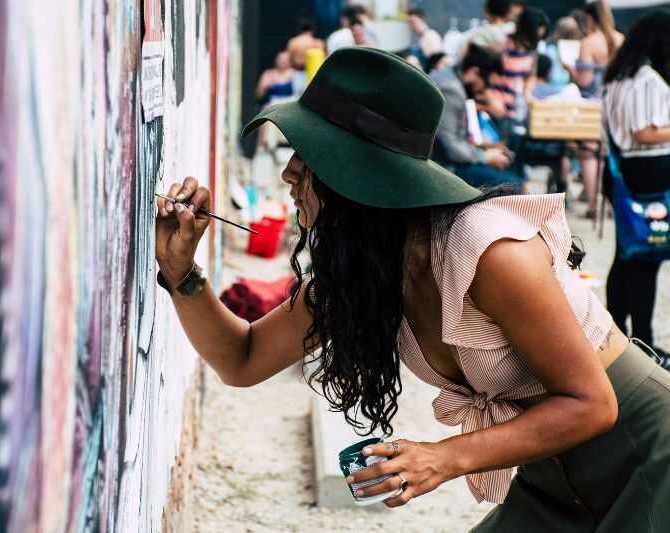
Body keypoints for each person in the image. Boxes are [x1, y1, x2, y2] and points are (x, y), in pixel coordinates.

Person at [156, 47, 670, 530]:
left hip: (645, 449)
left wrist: (443, 458)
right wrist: (183, 273)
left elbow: (593, 404)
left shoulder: (487, 249)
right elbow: (242, 359)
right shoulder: (368, 274)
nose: (290, 171)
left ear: (357, 176)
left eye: (308, 154)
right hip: (551, 461)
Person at [603, 9, 670, 362]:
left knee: (628, 254)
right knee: (647, 256)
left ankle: (618, 333)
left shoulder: (617, 77)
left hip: (624, 172)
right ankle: (643, 341)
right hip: (652, 175)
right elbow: (644, 133)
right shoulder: (649, 80)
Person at [431, 44, 521, 190]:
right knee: (515, 186)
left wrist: (486, 152)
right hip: (445, 169)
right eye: (486, 84)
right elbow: (450, 147)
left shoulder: (451, 78)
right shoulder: (451, 90)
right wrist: (485, 157)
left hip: (448, 163)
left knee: (510, 170)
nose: (485, 90)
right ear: (474, 72)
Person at [565, 1, 624, 219]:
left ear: (589, 19)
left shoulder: (588, 43)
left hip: (595, 106)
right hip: (620, 105)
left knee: (590, 153)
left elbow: (585, 81)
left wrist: (572, 70)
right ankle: (613, 204)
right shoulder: (621, 39)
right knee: (614, 154)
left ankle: (593, 205)